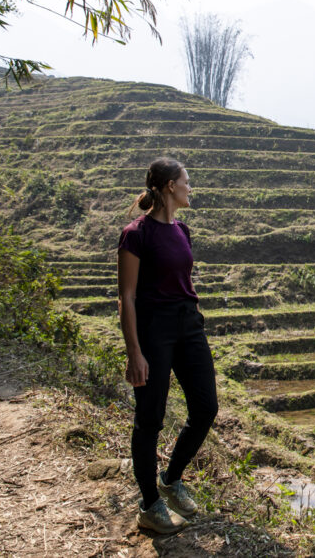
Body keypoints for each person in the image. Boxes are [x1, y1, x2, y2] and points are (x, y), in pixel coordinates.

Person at [117, 157, 218, 533]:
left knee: (206, 407)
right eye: (186, 181)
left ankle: (171, 478)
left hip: (189, 326)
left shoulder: (183, 231)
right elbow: (126, 297)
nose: (190, 188)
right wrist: (134, 351)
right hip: (154, 331)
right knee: (150, 420)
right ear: (168, 187)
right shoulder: (135, 234)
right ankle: (149, 504)